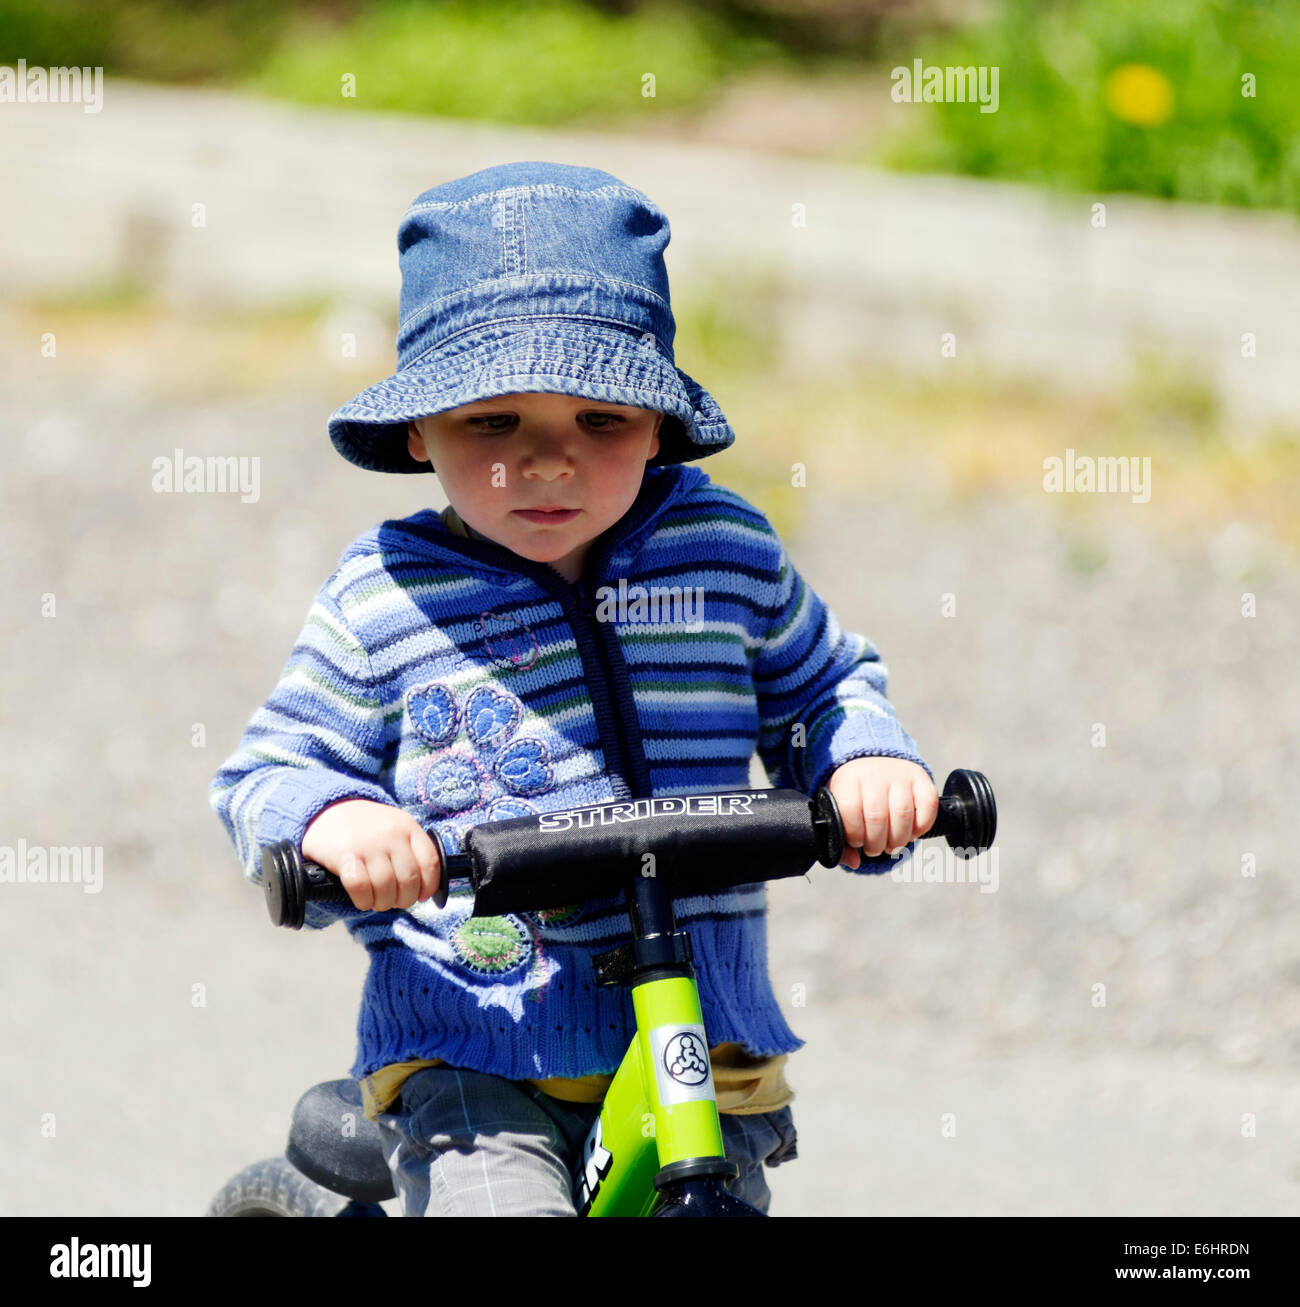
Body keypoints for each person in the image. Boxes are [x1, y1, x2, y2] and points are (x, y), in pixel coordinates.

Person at [209, 161, 938, 1217]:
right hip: (477, 1040)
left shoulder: (720, 549)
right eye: (492, 424)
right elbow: (271, 767)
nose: (548, 464)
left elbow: (824, 684)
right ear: (421, 432)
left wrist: (864, 758)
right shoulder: (387, 595)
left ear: (661, 423)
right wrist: (335, 817)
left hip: (694, 1039)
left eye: (602, 421)